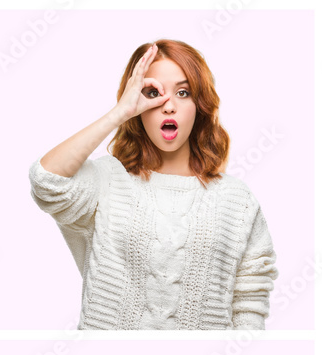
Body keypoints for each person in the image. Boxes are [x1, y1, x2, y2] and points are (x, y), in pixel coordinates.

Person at [30, 39, 276, 330]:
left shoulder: (237, 199)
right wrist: (119, 113)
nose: (168, 106)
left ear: (200, 106)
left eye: (183, 93)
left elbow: (250, 301)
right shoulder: (107, 179)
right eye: (152, 93)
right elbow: (46, 181)